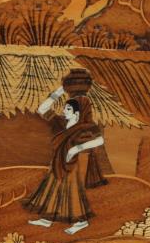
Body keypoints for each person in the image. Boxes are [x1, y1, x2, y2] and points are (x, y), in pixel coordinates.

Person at [24, 94, 106, 235]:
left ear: (77, 112)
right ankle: (47, 218)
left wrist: (76, 148)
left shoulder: (86, 126)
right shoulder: (61, 122)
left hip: (75, 163)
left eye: (67, 109)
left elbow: (100, 141)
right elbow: (42, 109)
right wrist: (58, 92)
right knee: (52, 187)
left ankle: (80, 221)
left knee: (72, 190)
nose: (63, 111)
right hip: (58, 160)